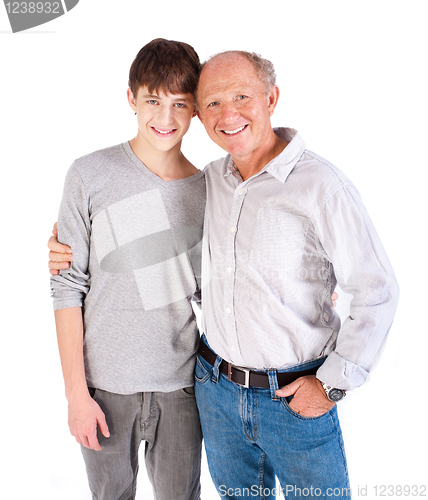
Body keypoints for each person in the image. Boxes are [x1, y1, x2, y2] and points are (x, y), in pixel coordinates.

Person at [50, 49, 399, 500]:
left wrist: (332, 384)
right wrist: (65, 249)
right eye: (213, 102)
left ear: (271, 99)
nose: (227, 114)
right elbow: (134, 257)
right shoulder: (214, 180)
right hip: (213, 391)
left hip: (271, 394)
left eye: (241, 97)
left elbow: (375, 289)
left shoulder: (305, 185)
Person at [50, 38, 205, 500]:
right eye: (153, 101)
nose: (166, 118)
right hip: (102, 388)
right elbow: (66, 288)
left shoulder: (209, 190)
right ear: (131, 99)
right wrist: (76, 394)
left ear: (196, 109)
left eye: (180, 103)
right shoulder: (89, 174)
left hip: (181, 387)